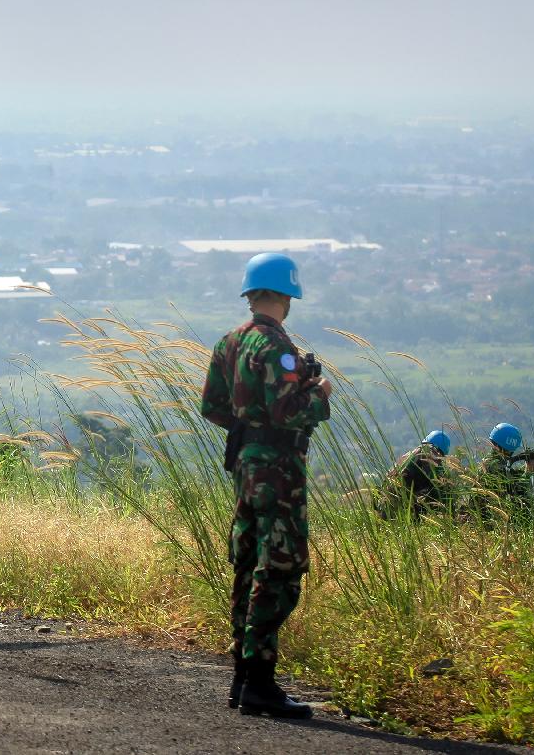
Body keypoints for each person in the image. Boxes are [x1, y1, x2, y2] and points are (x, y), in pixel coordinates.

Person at [199, 251, 331, 720]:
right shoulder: (278, 347)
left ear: (251, 292)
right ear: (287, 295)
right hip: (280, 470)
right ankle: (259, 681)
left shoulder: (229, 342)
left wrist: (247, 425)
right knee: (280, 568)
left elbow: (212, 407)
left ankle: (242, 676)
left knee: (248, 561)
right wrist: (318, 396)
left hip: (246, 465)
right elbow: (287, 412)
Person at [382, 429, 456, 515]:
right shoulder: (429, 456)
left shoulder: (408, 456)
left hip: (388, 504)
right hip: (400, 507)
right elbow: (441, 490)